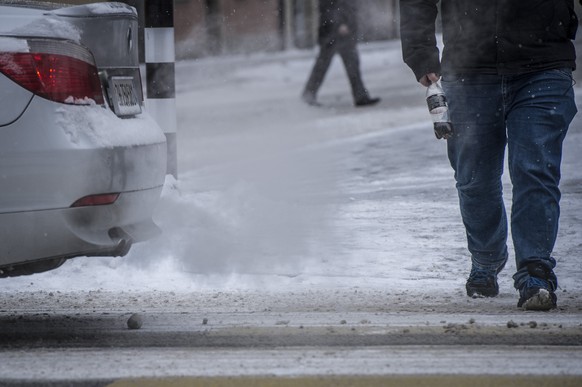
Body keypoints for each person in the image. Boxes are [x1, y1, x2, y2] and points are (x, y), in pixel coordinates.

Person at [399, 0, 578, 310]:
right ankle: (486, 258)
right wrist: (420, 51)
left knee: (534, 170)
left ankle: (535, 271)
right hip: (468, 69)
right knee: (473, 179)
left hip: (543, 63)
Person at [301, 0, 380, 107]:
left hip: (340, 31)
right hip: (334, 32)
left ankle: (360, 96)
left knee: (351, 64)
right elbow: (330, 7)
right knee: (323, 64)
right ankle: (308, 94)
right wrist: (340, 23)